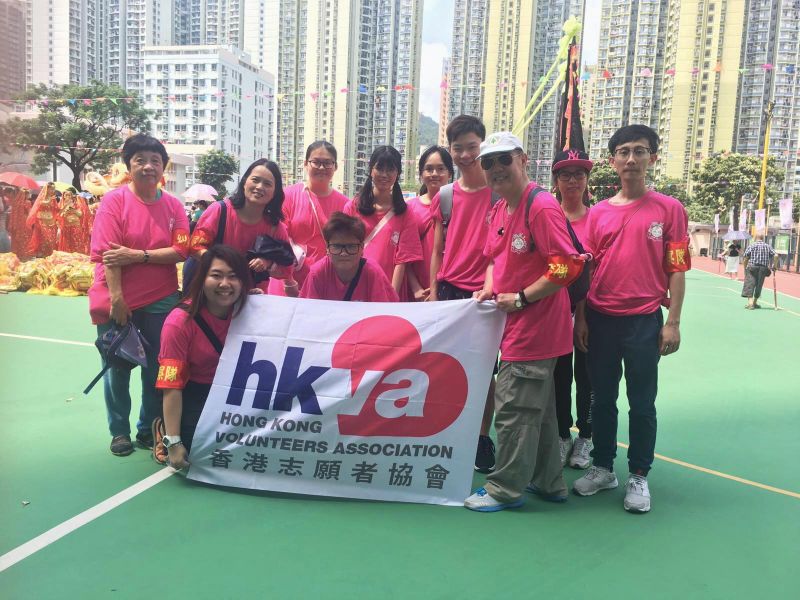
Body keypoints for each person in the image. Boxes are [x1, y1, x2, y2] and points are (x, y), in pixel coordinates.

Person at [464, 132, 585, 512]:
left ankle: (504, 488)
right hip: (514, 325)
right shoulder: (500, 208)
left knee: (514, 409)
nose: (496, 169)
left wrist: (520, 298)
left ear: (522, 159)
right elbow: (494, 258)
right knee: (540, 412)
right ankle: (548, 481)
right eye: (488, 163)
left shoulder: (540, 206)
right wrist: (490, 287)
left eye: (504, 159)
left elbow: (566, 268)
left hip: (535, 329)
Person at [573, 124, 689, 513]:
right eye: (623, 152)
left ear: (652, 157)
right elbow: (586, 271)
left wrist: (672, 321)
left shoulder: (669, 210)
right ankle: (603, 467)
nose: (631, 159)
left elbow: (677, 268)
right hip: (601, 319)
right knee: (601, 399)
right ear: (613, 161)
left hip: (644, 321)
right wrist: (581, 318)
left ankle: (639, 474)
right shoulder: (598, 214)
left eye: (640, 151)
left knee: (642, 402)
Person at [88, 134, 190, 457]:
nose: (148, 167)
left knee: (157, 369)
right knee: (117, 367)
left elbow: (182, 249)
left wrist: (138, 255)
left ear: (163, 167)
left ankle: (148, 429)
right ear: (128, 166)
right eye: (140, 160)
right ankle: (119, 431)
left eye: (155, 161)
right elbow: (109, 255)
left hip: (162, 299)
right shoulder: (114, 202)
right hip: (118, 299)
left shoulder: (174, 206)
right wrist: (118, 299)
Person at [428, 115, 497, 474]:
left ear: (482, 146)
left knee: (485, 372)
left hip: (485, 295)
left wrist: (490, 285)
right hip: (449, 293)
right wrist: (434, 292)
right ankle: (450, 431)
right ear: (451, 150)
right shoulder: (446, 196)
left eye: (473, 147)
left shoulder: (499, 193)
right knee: (446, 368)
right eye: (459, 148)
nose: (466, 154)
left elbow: (499, 251)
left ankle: (483, 437)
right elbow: (437, 249)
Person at [156, 245, 250, 469]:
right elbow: (172, 386)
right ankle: (163, 428)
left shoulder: (252, 311)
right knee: (195, 452)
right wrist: (174, 442)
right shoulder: (179, 323)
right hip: (196, 391)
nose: (225, 284)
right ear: (202, 279)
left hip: (238, 392)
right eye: (216, 275)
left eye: (233, 276)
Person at [190, 159, 297, 294]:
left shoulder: (275, 227)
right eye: (255, 180)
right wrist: (224, 265)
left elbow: (287, 268)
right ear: (244, 182)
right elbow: (195, 247)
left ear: (275, 192)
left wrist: (267, 262)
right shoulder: (219, 211)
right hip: (215, 294)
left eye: (267, 184)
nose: (260, 187)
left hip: (253, 297)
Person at [551, 148, 594, 469]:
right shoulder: (548, 215)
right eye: (565, 174)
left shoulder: (598, 217)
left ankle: (586, 436)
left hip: (591, 312)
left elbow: (594, 270)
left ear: (587, 179)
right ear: (556, 180)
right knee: (560, 376)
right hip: (555, 312)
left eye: (579, 174)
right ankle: (562, 434)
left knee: (588, 375)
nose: (572, 180)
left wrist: (582, 315)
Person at [268, 141, 349, 295]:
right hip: (287, 283)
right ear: (305, 164)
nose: (322, 168)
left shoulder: (345, 204)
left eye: (327, 163)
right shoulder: (287, 196)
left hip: (325, 283)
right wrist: (288, 280)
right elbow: (278, 238)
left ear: (335, 166)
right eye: (316, 162)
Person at [344, 146, 423, 299]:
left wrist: (391, 295)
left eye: (391, 169)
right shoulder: (353, 207)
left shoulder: (405, 212)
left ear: (397, 173)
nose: (384, 174)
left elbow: (402, 260)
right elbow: (344, 248)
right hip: (356, 284)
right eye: (380, 168)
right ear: (371, 170)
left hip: (389, 286)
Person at [301, 212, 398, 302]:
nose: (344, 253)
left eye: (351, 246)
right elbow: (308, 310)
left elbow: (383, 311)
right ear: (327, 248)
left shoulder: (373, 272)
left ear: (362, 248)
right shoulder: (318, 273)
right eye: (337, 246)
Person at [405, 145, 454, 301]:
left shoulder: (459, 205)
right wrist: (416, 288)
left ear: (450, 173)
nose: (434, 174)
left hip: (450, 289)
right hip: (416, 291)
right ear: (421, 174)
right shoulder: (409, 208)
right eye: (429, 169)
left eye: (440, 169)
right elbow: (403, 254)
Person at [741, 235, 777, 309]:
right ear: (762, 238)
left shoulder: (752, 246)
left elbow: (746, 258)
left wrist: (745, 268)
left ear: (755, 238)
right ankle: (754, 302)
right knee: (759, 285)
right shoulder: (768, 246)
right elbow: (776, 256)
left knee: (750, 284)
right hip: (763, 268)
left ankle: (750, 303)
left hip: (752, 267)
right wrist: (775, 265)